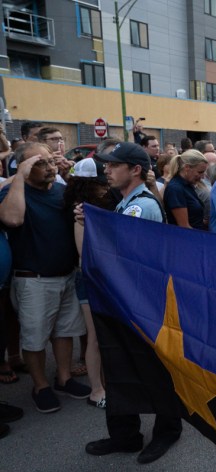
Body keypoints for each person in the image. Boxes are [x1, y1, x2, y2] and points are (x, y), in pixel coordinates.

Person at [85, 141, 182, 465]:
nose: (106, 170)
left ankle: (167, 430)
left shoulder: (142, 206)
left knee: (151, 368)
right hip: (124, 301)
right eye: (106, 165)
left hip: (140, 304)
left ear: (135, 169)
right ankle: (125, 435)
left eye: (113, 165)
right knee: (121, 365)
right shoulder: (128, 203)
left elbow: (128, 257)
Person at [0, 142, 90, 413]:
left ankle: (63, 378)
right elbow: (13, 219)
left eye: (51, 161)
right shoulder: (12, 192)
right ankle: (40, 385)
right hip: (33, 279)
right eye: (39, 163)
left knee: (65, 331)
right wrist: (19, 176)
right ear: (24, 168)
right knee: (35, 337)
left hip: (65, 275)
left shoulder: (62, 191)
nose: (50, 167)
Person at [64, 157, 115, 408]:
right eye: (100, 183)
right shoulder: (82, 210)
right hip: (92, 279)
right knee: (94, 336)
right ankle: (96, 389)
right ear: (88, 185)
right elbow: (85, 254)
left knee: (102, 335)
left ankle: (104, 383)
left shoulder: (96, 206)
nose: (106, 187)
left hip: (101, 279)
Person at [162, 150, 208, 229]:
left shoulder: (186, 185)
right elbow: (184, 227)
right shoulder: (175, 189)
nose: (203, 177)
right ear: (187, 167)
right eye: (200, 172)